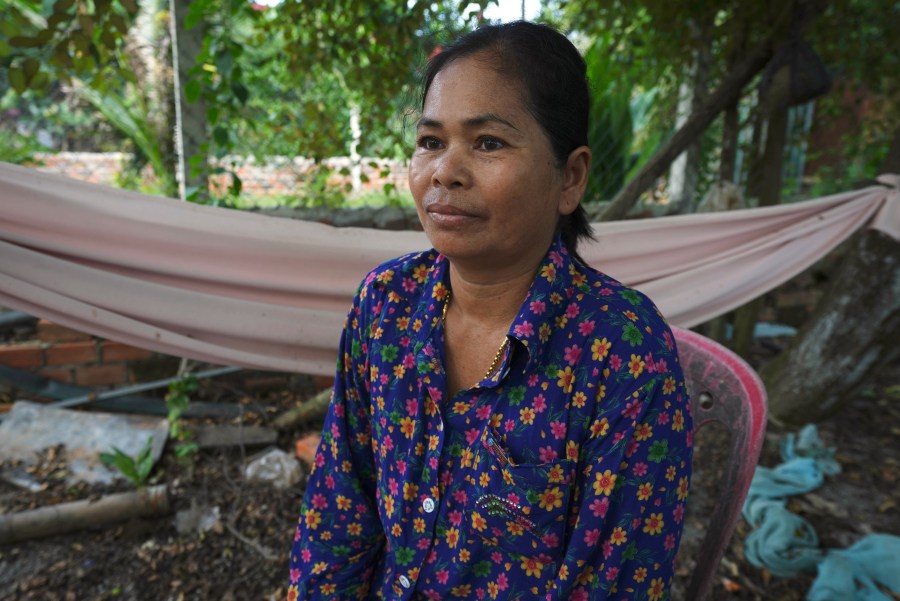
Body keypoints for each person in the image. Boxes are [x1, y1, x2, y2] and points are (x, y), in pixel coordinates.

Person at [288, 21, 692, 601]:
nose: (444, 172)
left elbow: (616, 584)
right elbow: (338, 512)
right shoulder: (386, 306)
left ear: (569, 177)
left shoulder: (623, 352)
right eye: (430, 141)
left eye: (488, 143)